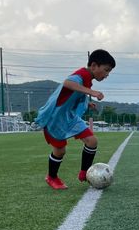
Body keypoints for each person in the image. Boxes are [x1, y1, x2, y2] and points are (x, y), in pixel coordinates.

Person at [35, 49, 115, 190]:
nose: (107, 74)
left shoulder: (87, 79)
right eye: (106, 70)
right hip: (55, 118)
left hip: (70, 117)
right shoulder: (82, 74)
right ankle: (52, 177)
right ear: (94, 66)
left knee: (92, 141)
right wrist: (92, 92)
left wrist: (87, 103)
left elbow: (75, 94)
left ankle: (85, 172)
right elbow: (67, 83)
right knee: (59, 151)